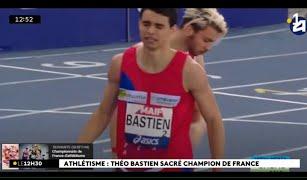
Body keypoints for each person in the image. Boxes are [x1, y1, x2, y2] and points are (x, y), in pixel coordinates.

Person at [78, 8, 225, 172]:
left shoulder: (192, 70)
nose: (150, 31)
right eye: (146, 24)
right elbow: (105, 113)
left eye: (159, 26)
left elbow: (213, 120)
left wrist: (217, 168)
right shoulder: (121, 63)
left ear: (172, 30)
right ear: (139, 24)